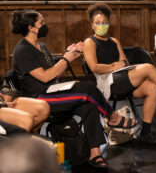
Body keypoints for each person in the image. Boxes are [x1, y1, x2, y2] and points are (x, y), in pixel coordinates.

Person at [11, 9, 137, 169]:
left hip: (53, 90)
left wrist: (69, 55)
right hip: (38, 98)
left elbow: (54, 71)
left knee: (89, 106)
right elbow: (44, 77)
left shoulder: (41, 46)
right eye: (41, 23)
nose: (45, 25)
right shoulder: (22, 50)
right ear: (31, 27)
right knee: (87, 88)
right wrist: (66, 59)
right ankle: (112, 117)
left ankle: (95, 153)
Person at [83, 3, 156, 143]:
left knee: (153, 88)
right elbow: (94, 67)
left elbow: (124, 62)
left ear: (109, 24)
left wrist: (120, 65)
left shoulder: (114, 41)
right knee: (148, 67)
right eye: (98, 23)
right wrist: (113, 66)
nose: (101, 25)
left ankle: (146, 132)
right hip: (108, 83)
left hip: (123, 78)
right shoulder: (90, 42)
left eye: (104, 22)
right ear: (92, 26)